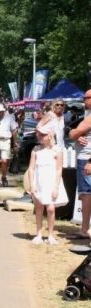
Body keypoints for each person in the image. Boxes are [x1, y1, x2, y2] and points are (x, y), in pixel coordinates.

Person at [28, 126, 68, 244]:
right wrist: (32, 184)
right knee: (39, 207)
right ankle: (39, 234)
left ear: (50, 136)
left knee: (50, 208)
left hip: (51, 182)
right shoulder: (35, 150)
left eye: (43, 135)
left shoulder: (57, 150)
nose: (40, 136)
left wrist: (56, 187)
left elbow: (59, 169)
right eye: (39, 134)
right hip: (39, 182)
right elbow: (31, 168)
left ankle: (50, 235)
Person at [68, 89, 91, 240]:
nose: (84, 100)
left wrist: (90, 161)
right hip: (84, 157)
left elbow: (75, 133)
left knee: (87, 194)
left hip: (87, 158)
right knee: (84, 194)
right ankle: (84, 228)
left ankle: (85, 229)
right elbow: (71, 133)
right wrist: (75, 135)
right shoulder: (87, 115)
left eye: (87, 97)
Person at [0, 103, 18, 187]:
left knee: (4, 160)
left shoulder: (9, 118)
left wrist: (15, 143)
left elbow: (14, 130)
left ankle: (4, 176)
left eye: (0, 112)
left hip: (6, 141)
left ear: (3, 111)